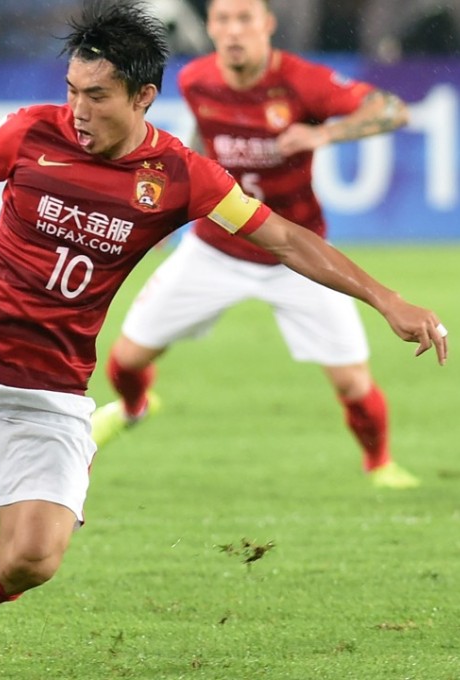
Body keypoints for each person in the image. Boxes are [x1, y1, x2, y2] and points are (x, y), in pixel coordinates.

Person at [0, 2, 447, 676]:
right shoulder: (31, 131)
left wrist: (386, 299)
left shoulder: (178, 175)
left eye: (97, 96)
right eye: (71, 92)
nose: (78, 110)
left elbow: (283, 237)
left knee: (32, 558)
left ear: (144, 96)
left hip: (54, 383)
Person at [90, 0, 427, 489]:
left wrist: (325, 135)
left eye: (244, 19)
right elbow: (201, 142)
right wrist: (172, 211)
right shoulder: (196, 79)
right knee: (126, 358)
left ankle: (380, 465)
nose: (233, 31)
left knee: (353, 382)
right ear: (210, 28)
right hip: (215, 248)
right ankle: (137, 407)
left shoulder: (302, 81)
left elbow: (393, 111)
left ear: (267, 25)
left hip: (298, 255)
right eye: (223, 20)